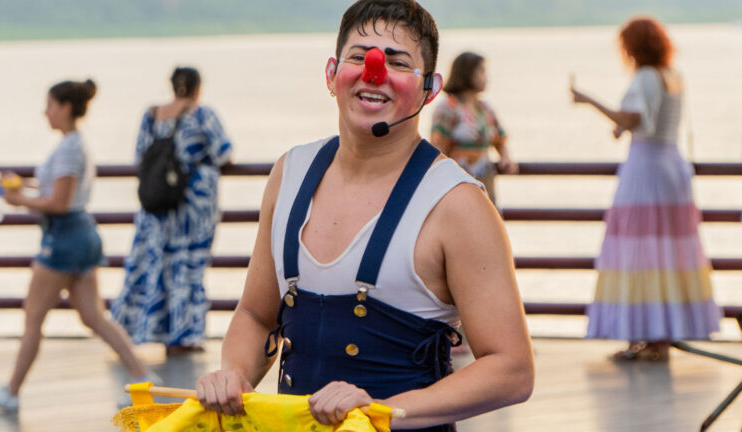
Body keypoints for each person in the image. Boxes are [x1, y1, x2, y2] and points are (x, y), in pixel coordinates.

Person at [196, 1, 534, 431]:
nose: (374, 72)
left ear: (430, 89)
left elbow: (512, 369)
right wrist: (235, 377)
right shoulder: (291, 172)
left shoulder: (457, 204)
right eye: (359, 57)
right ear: (332, 74)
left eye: (398, 63)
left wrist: (384, 409)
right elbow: (257, 314)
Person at [0, 79, 154, 412]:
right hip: (80, 235)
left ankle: (11, 392)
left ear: (66, 107)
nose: (46, 112)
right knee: (94, 318)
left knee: (33, 317)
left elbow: (60, 201)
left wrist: (18, 199)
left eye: (50, 105)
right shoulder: (73, 144)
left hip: (63, 239)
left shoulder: (70, 148)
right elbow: (55, 189)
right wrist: (21, 184)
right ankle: (144, 376)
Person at [571, 17, 720, 361]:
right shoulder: (673, 75)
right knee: (669, 252)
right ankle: (660, 335)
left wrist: (588, 100)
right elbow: (650, 118)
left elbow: (633, 118)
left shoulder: (645, 76)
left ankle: (645, 336)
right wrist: (626, 127)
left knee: (639, 250)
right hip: (672, 165)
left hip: (646, 171)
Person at [112, 67, 233, 356]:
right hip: (194, 208)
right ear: (197, 88)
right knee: (188, 268)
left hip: (157, 206)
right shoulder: (202, 115)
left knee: (153, 266)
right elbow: (224, 152)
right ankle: (183, 336)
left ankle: (134, 330)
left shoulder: (152, 115)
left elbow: (139, 156)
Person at [430, 51, 517, 202]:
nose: (486, 77)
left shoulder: (485, 109)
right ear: (467, 73)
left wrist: (505, 157)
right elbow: (438, 147)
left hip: (485, 181)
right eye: (481, 71)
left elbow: (500, 138)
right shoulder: (447, 109)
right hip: (456, 184)